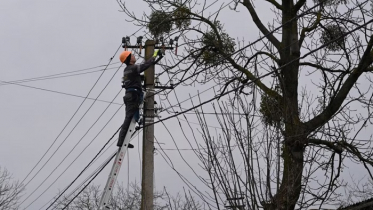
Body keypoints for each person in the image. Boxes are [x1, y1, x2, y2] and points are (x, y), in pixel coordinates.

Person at [117, 50, 163, 147]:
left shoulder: (127, 70)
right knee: (128, 118)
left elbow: (137, 72)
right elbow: (144, 66)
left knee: (131, 117)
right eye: (132, 55)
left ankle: (124, 139)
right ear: (129, 60)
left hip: (131, 95)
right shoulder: (133, 68)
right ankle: (121, 141)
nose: (134, 56)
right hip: (132, 95)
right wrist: (154, 55)